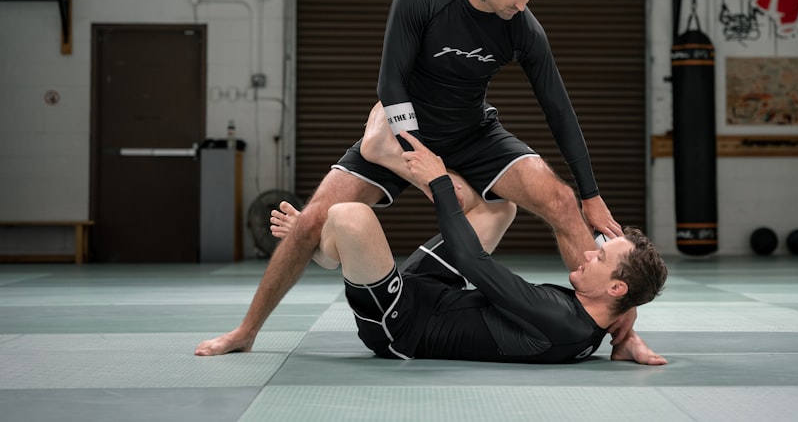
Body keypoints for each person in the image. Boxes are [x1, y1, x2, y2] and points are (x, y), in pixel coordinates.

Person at [196, 0, 655, 362]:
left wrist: (592, 197)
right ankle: (247, 331)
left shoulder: (521, 28)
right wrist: (415, 155)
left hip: (474, 132)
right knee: (313, 219)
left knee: (559, 199)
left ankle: (619, 334)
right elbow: (390, 81)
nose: (522, 5)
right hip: (405, 125)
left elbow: (559, 110)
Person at [273, 130, 668, 363]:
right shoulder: (594, 323)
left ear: (617, 289)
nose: (586, 253)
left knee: (349, 215)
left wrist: (438, 180)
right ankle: (384, 167)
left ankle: (321, 248)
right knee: (500, 208)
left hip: (400, 325)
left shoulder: (560, 320)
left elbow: (471, 261)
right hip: (436, 294)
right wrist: (626, 341)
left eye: (599, 257)